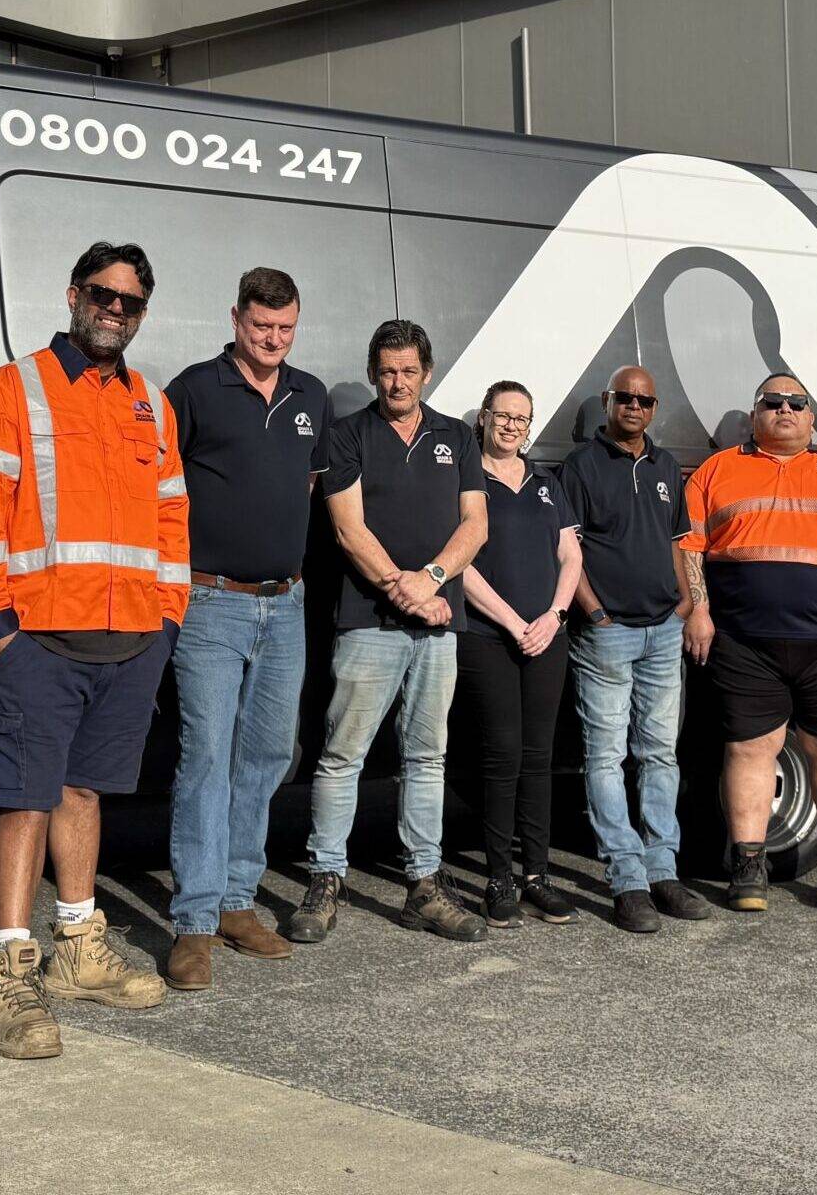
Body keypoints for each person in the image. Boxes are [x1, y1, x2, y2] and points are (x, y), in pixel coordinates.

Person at [0, 241, 189, 1060]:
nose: (114, 310)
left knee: (82, 793)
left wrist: (166, 623)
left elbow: (172, 520)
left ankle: (78, 948)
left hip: (129, 644)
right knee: (25, 798)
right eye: (101, 294)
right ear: (73, 294)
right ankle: (10, 974)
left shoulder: (152, 404)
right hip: (37, 643)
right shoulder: (13, 388)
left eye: (130, 302)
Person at [289, 320, 489, 944]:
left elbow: (475, 525)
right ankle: (326, 879)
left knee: (427, 757)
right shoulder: (347, 435)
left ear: (427, 373)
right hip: (367, 623)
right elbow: (348, 530)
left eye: (408, 371)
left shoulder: (457, 436)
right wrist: (408, 594)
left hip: (438, 626)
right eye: (386, 372)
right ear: (373, 373)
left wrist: (431, 580)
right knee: (341, 755)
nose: (397, 383)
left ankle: (424, 885)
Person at [159, 268, 331, 991]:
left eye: (286, 328)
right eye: (262, 326)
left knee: (265, 756)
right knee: (206, 758)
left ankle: (236, 902)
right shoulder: (195, 390)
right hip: (211, 602)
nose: (273, 339)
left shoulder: (311, 395)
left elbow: (309, 489)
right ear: (236, 318)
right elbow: (159, 488)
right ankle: (195, 922)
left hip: (285, 604)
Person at [680, 370, 817, 913]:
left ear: (810, 417)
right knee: (748, 750)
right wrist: (699, 609)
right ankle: (748, 868)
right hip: (743, 642)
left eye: (796, 402)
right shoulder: (716, 470)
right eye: (772, 401)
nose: (784, 409)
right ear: (754, 414)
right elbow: (688, 546)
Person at [560, 366, 710, 934]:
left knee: (660, 755)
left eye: (645, 401)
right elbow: (566, 549)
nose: (634, 407)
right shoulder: (580, 466)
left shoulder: (666, 465)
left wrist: (685, 602)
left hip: (663, 630)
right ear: (607, 401)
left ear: (654, 408)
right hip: (609, 633)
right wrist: (594, 612)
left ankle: (662, 871)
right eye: (625, 398)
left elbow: (677, 542)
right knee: (605, 757)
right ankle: (626, 880)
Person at [459, 381, 584, 928]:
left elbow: (570, 556)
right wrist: (513, 623)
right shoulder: (467, 479)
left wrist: (555, 616)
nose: (511, 425)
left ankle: (537, 876)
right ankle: (498, 880)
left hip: (546, 637)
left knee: (538, 758)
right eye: (503, 415)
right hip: (489, 637)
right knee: (502, 756)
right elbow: (459, 564)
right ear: (484, 418)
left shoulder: (546, 482)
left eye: (521, 418)